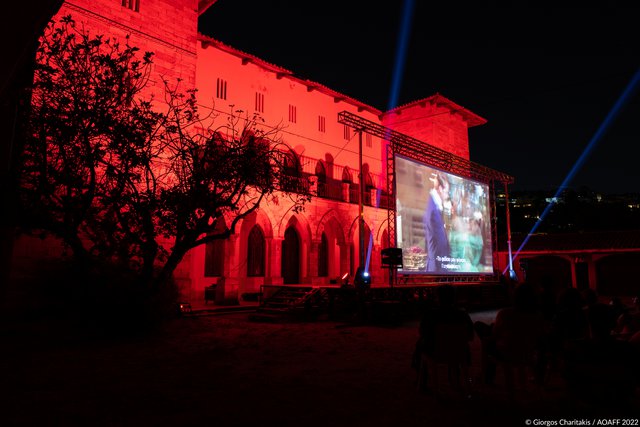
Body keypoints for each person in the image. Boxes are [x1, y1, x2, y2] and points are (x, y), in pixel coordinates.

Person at [415, 284, 474, 393]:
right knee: (455, 345)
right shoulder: (462, 314)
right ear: (454, 297)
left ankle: (421, 380)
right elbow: (470, 336)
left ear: (437, 297)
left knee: (420, 344)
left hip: (435, 352)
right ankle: (456, 380)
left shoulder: (430, 314)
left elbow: (423, 333)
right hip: (460, 352)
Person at [423, 172, 451, 273]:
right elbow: (438, 245)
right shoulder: (433, 209)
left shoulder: (435, 206)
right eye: (446, 192)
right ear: (440, 189)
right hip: (437, 269)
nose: (447, 195)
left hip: (438, 267)